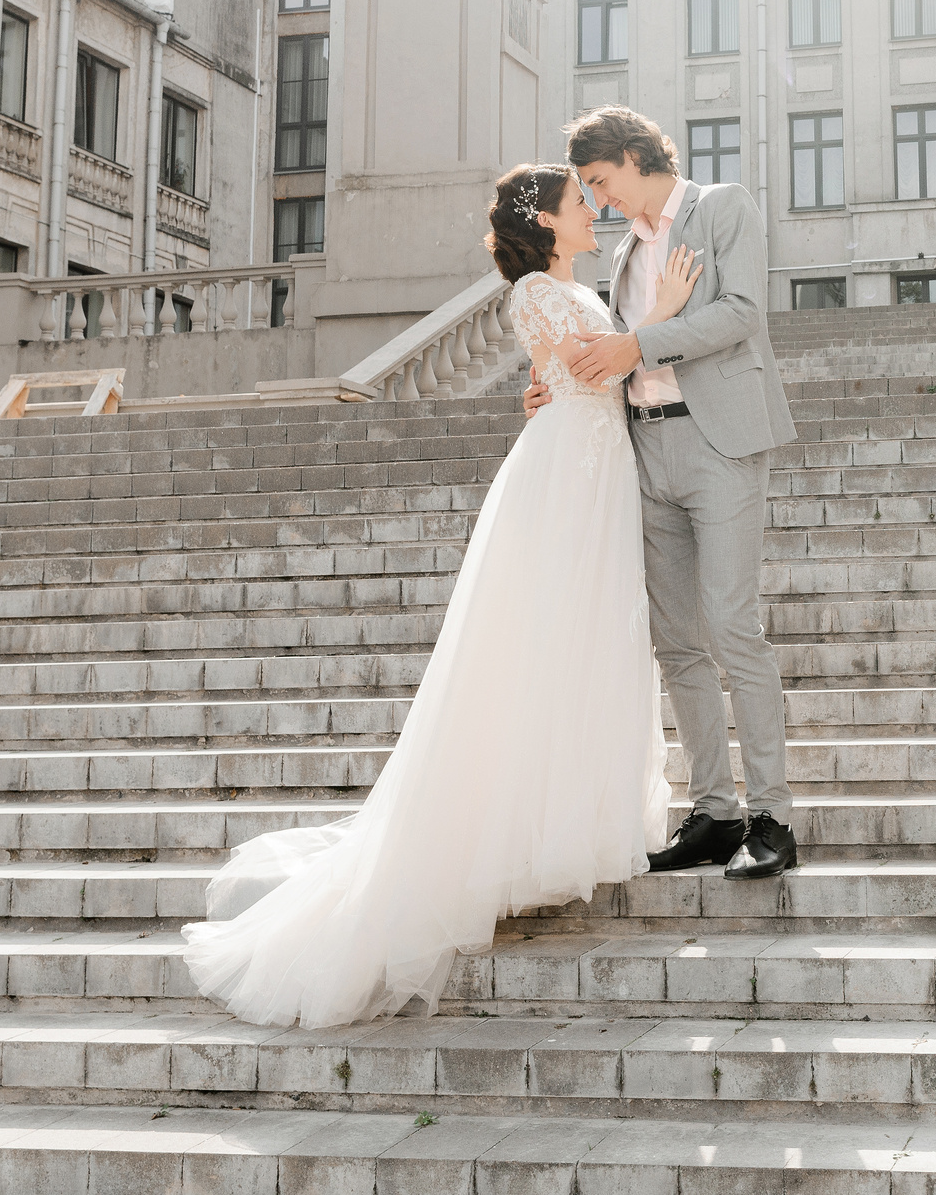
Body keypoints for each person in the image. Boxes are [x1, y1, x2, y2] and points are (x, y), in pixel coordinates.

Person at [178, 163, 701, 1029]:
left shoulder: (577, 286)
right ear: (547, 222)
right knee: (544, 641)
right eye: (579, 203)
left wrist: (617, 344)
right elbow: (590, 368)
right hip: (565, 474)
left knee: (593, 640)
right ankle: (518, 833)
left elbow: (580, 372)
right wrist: (664, 320)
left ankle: (574, 818)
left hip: (596, 467)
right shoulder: (533, 291)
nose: (590, 211)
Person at [529, 106, 801, 882]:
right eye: (588, 189)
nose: (599, 199)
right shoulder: (621, 261)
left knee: (730, 624)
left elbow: (744, 312)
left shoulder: (723, 207)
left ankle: (773, 816)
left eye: (601, 181)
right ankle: (716, 812)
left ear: (632, 155)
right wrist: (552, 390)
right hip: (646, 448)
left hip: (720, 441)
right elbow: (610, 356)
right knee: (675, 640)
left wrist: (641, 340)